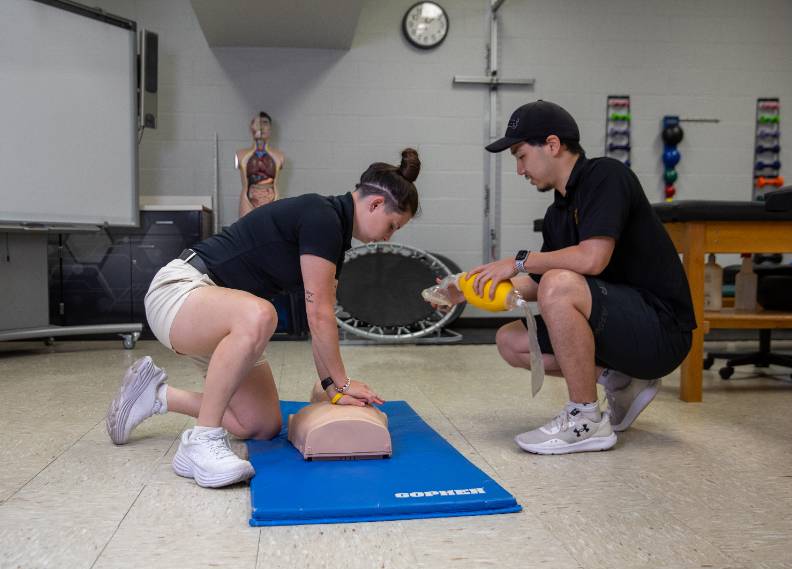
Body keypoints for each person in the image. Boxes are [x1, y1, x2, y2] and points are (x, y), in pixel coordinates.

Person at [106, 149, 422, 487]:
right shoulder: (323, 216)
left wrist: (332, 387)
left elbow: (320, 317)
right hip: (180, 292)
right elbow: (319, 315)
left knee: (258, 424)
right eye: (392, 226)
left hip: (220, 316)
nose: (389, 237)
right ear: (374, 204)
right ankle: (202, 441)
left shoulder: (334, 235)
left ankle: (155, 395)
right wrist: (341, 384)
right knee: (260, 313)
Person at [456, 100, 696, 455]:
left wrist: (519, 261)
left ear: (552, 145)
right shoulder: (558, 212)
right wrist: (467, 288)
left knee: (559, 283)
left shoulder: (606, 176)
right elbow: (537, 285)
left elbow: (592, 259)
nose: (520, 170)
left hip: (661, 330)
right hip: (618, 324)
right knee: (511, 341)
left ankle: (586, 418)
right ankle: (620, 377)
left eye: (521, 156)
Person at [236, 111, 285, 217]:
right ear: (251, 128)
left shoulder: (279, 156)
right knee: (246, 230)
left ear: (270, 129)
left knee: (271, 230)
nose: (260, 127)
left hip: (272, 197)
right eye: (257, 123)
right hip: (249, 198)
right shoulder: (241, 155)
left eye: (264, 123)